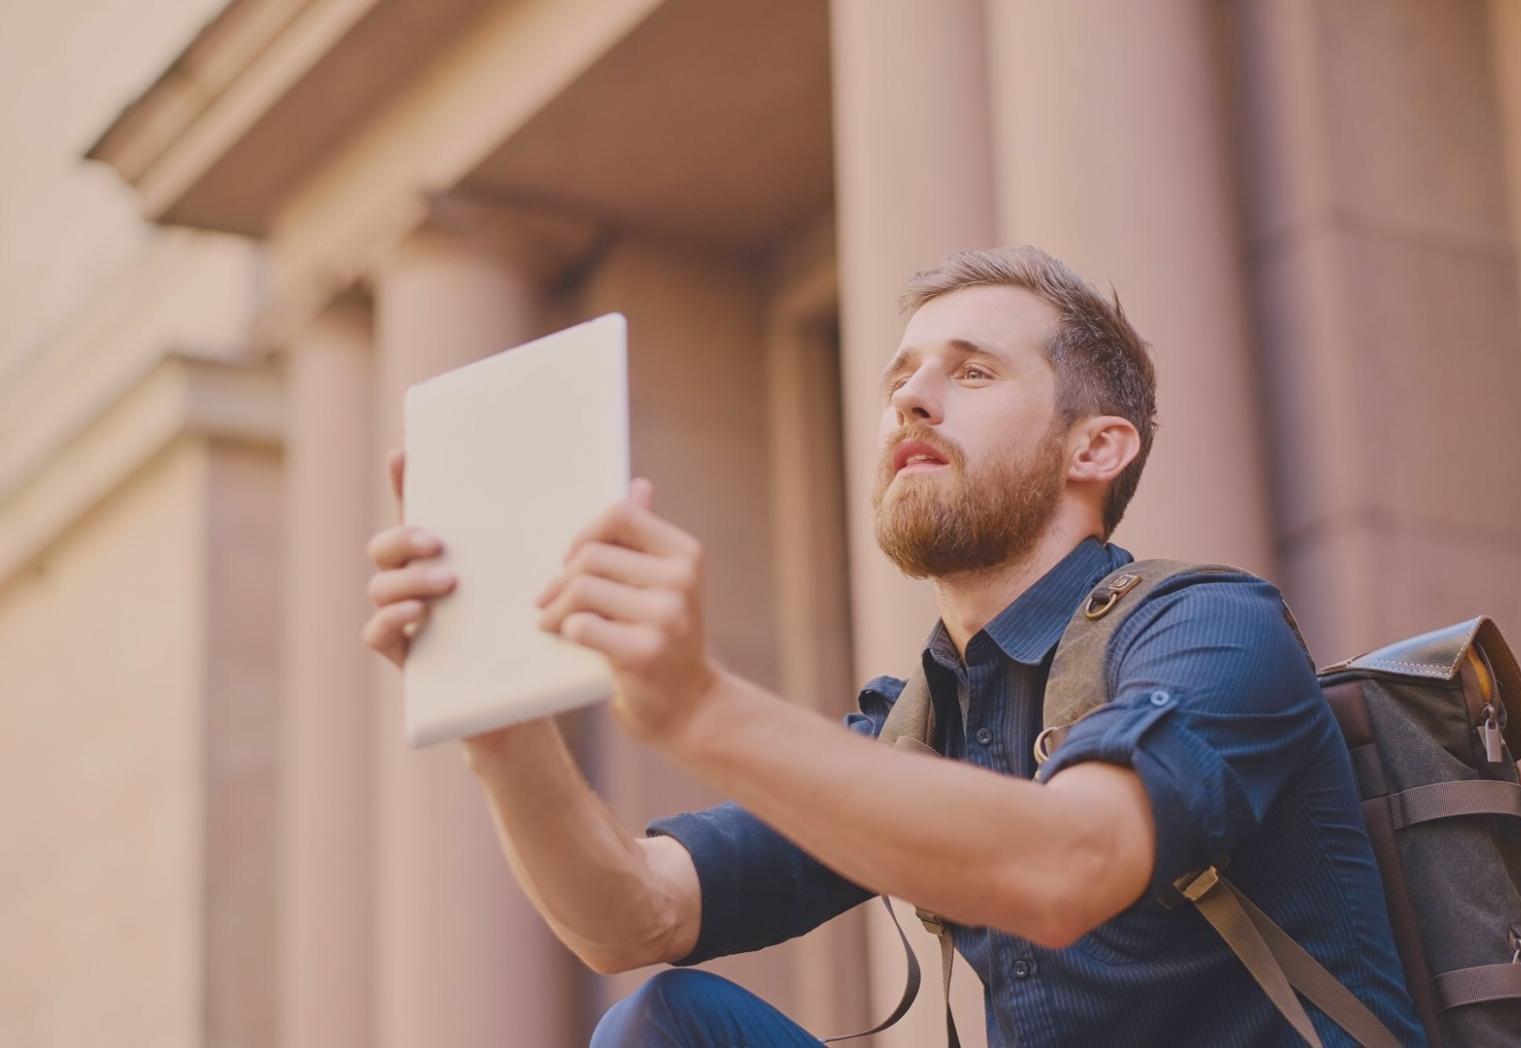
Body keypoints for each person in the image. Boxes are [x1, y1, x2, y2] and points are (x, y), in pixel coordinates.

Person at [362, 246, 1426, 1046]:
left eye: (969, 374)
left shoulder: (1207, 626)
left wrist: (696, 705)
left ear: (1095, 446)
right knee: (665, 1023)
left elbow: (1070, 862)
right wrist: (494, 714)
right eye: (899, 380)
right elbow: (631, 914)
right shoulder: (914, 723)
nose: (908, 397)